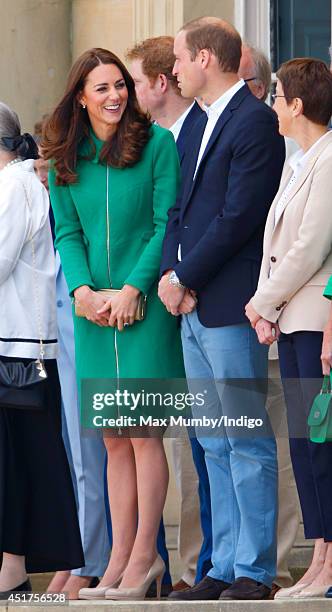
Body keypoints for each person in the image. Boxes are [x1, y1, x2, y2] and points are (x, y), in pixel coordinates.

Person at [43, 47, 185, 602]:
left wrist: (132, 289)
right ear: (81, 95)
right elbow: (68, 233)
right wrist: (81, 290)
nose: (114, 96)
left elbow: (164, 222)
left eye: (120, 85)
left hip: (142, 311)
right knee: (112, 440)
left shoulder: (158, 145)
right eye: (101, 88)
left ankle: (145, 555)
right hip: (95, 314)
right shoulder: (64, 159)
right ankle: (117, 557)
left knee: (145, 436)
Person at [159, 17, 285, 601]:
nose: (174, 69)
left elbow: (240, 217)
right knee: (211, 440)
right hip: (190, 307)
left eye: (180, 59)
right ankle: (223, 565)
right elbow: (178, 212)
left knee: (244, 438)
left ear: (207, 58)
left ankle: (254, 571)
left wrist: (186, 275)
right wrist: (170, 277)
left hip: (229, 306)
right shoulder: (195, 125)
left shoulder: (255, 121)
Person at [127, 35, 212, 591]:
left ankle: (209, 565)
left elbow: (179, 223)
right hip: (161, 305)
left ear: (161, 83)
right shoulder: (149, 142)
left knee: (214, 441)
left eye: (133, 82)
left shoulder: (189, 138)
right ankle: (169, 565)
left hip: (193, 302)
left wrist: (177, 280)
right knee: (160, 440)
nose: (126, 95)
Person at [246, 58, 332, 599]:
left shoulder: (328, 159)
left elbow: (310, 247)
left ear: (297, 104)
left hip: (313, 320)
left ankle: (329, 561)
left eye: (277, 95)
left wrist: (261, 303)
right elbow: (275, 245)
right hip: (291, 318)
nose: (272, 103)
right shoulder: (298, 162)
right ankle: (320, 557)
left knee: (321, 443)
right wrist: (268, 306)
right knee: (304, 444)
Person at [0, 102, 84, 598]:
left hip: (20, 349)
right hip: (14, 345)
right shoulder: (13, 183)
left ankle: (13, 568)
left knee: (19, 463)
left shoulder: (15, 186)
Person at [238, 44, 301, 598]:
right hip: (262, 319)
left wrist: (264, 303)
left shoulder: (300, 154)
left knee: (286, 446)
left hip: (289, 319)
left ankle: (278, 564)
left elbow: (306, 247)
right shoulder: (286, 153)